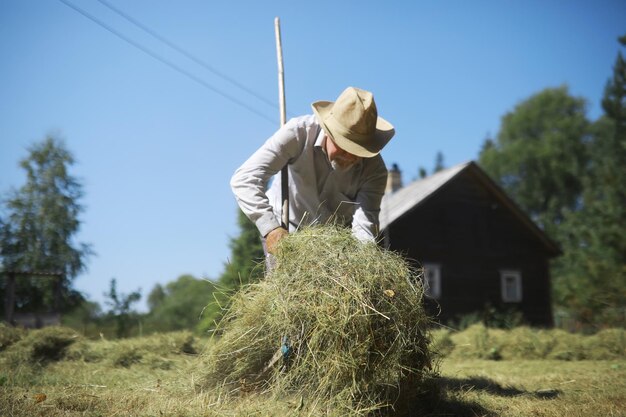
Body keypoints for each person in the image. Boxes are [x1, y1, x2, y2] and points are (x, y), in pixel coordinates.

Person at [230, 86, 395, 256]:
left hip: (333, 245)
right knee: (285, 281)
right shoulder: (298, 133)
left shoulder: (375, 171)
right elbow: (244, 179)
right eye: (344, 147)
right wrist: (270, 228)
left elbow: (364, 227)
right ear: (329, 131)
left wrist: (361, 260)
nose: (350, 156)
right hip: (285, 228)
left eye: (358, 151)